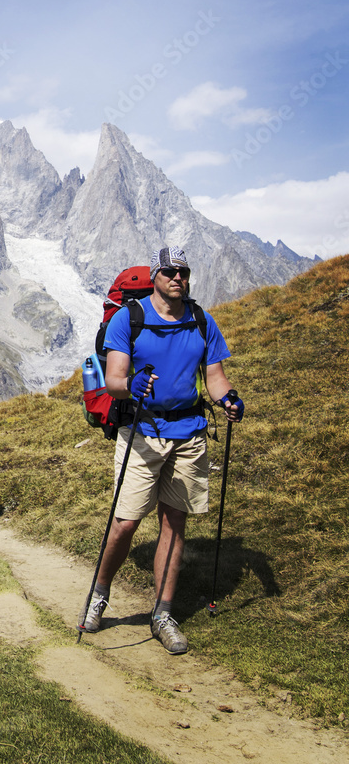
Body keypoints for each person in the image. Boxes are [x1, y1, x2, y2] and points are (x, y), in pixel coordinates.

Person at [80, 247, 244, 654]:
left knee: (175, 523)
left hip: (189, 431)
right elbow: (115, 378)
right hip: (142, 430)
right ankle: (100, 595)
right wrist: (130, 386)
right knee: (126, 523)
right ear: (155, 275)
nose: (178, 278)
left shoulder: (202, 320)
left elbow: (215, 377)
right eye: (170, 271)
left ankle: (163, 614)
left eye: (184, 272)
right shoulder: (128, 319)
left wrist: (229, 400)